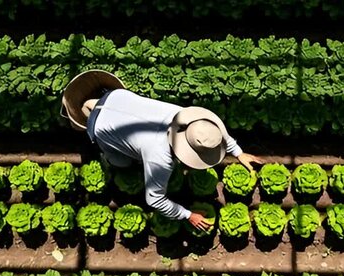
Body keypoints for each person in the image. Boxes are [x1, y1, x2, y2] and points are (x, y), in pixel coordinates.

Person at [61, 70, 263, 231]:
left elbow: (211, 130)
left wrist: (237, 152)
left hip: (117, 97)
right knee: (121, 163)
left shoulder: (185, 117)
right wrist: (188, 215)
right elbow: (154, 199)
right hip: (101, 129)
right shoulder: (160, 158)